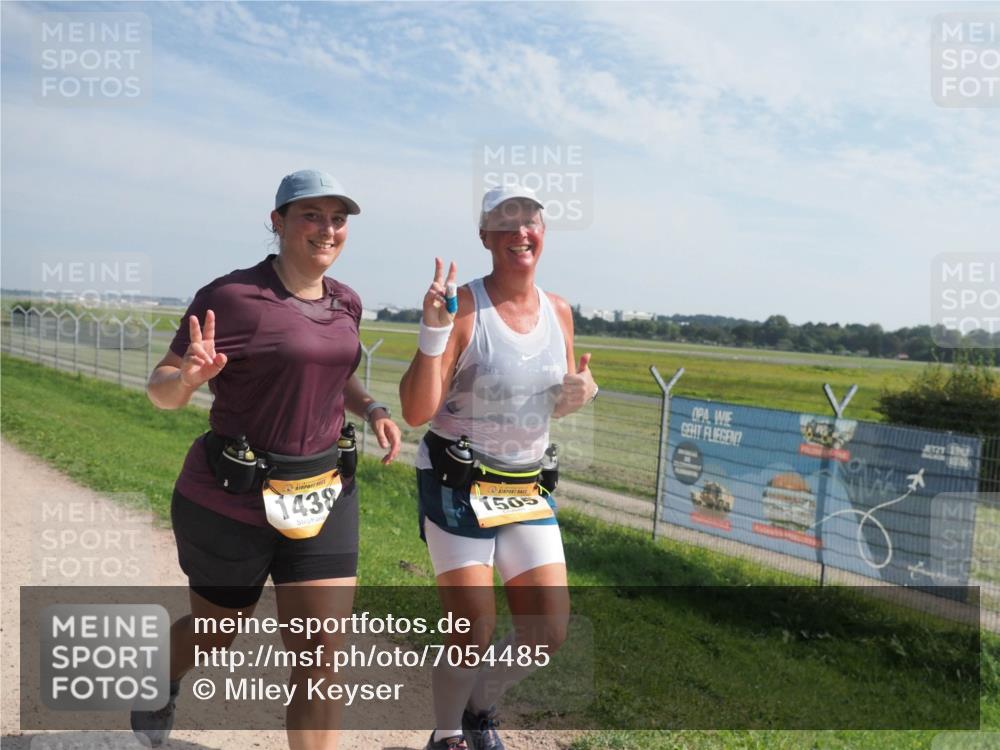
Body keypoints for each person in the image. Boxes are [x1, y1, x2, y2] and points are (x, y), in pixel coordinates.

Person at [135, 169, 401, 750]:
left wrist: (373, 406)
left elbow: (335, 373)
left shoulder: (346, 301)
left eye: (338, 219)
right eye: (311, 215)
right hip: (232, 496)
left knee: (322, 653)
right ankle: (161, 679)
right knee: (216, 631)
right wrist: (188, 379)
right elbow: (161, 385)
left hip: (323, 491)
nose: (326, 229)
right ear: (277, 222)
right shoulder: (230, 297)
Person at [399, 184, 598, 750]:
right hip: (456, 484)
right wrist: (434, 329)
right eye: (505, 224)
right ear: (485, 237)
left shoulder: (559, 311)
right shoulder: (464, 308)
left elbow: (546, 399)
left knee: (548, 630)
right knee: (473, 628)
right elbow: (417, 411)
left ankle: (479, 707)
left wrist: (576, 394)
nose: (519, 233)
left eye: (530, 222)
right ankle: (445, 736)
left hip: (524, 484)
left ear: (543, 233)